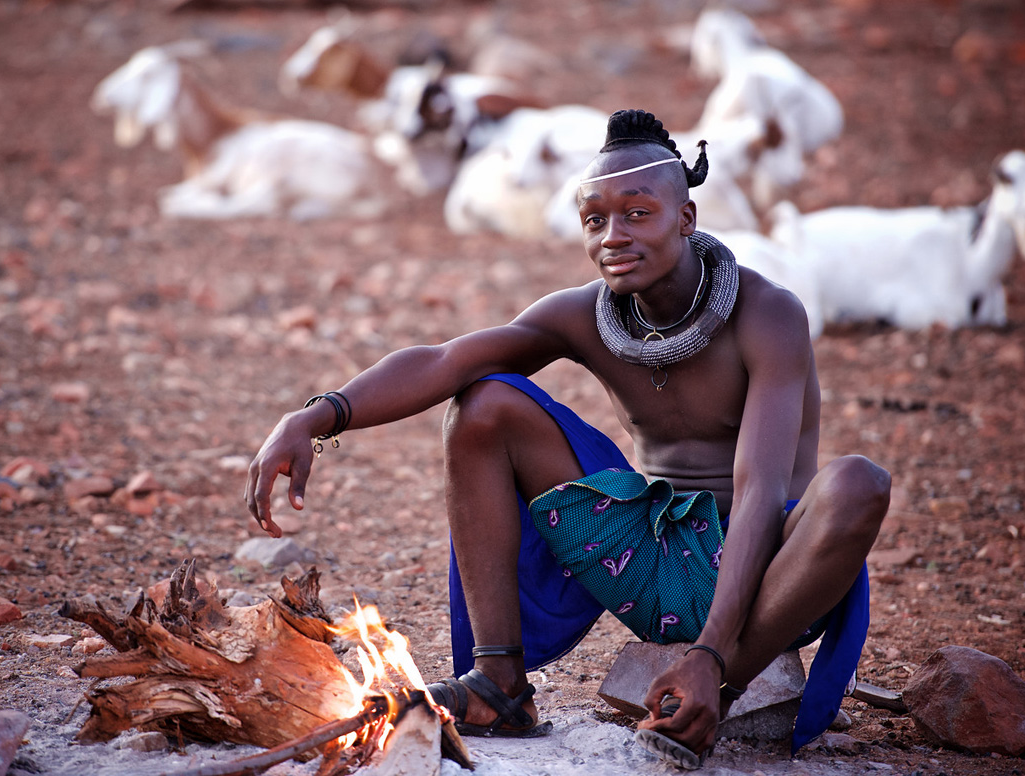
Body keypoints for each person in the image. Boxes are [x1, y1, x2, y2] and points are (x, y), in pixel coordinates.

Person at [244, 109, 889, 768]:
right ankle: (497, 684)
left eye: (638, 214)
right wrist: (314, 417)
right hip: (653, 567)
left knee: (858, 483)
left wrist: (711, 660)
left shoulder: (768, 313)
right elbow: (444, 362)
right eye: (595, 220)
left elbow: (758, 493)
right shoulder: (586, 314)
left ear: (687, 219)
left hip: (772, 575)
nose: (613, 235)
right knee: (483, 405)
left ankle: (711, 696)